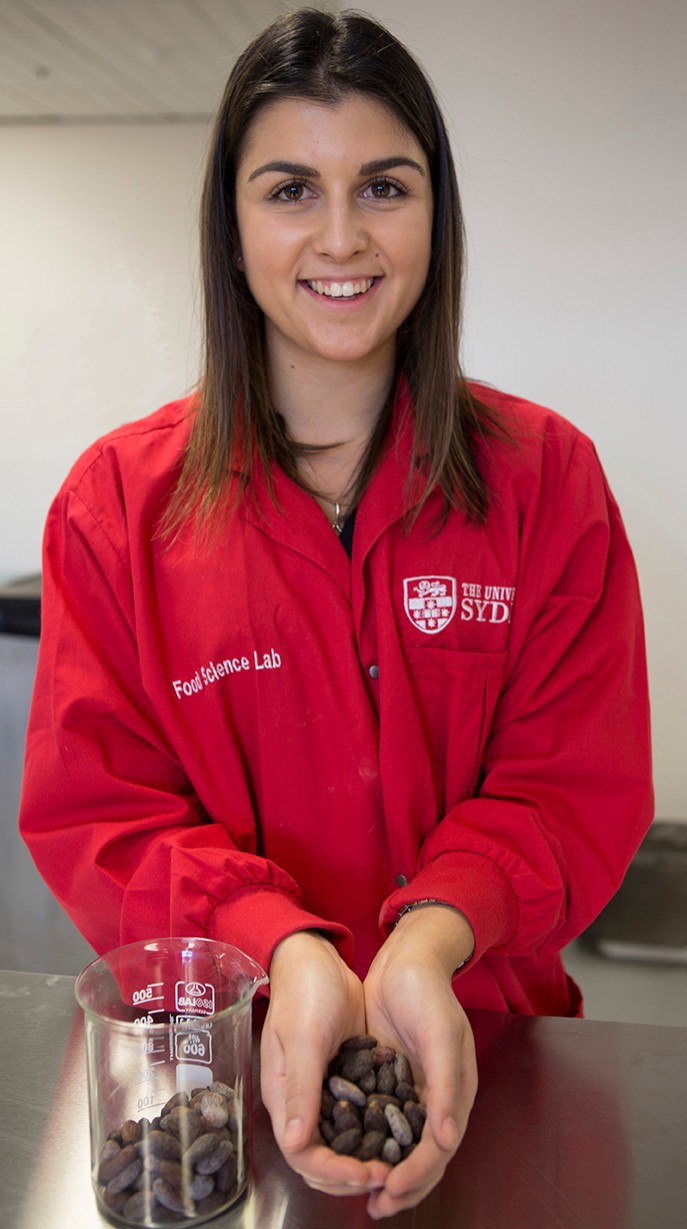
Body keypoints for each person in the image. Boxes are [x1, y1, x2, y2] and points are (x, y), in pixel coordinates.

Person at [19, 7, 653, 1219]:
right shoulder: (117, 507)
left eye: (385, 185)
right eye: (291, 188)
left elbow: (573, 784)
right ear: (233, 221)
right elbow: (103, 810)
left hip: (490, 1048)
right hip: (222, 1071)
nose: (343, 235)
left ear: (437, 212)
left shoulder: (548, 481)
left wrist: (425, 942)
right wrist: (282, 942)